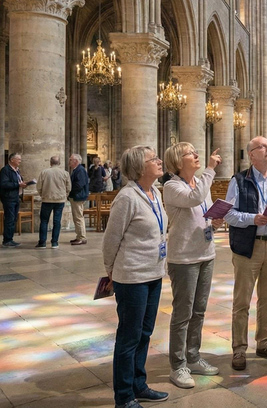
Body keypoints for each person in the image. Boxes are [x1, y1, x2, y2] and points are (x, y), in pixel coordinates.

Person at [102, 146, 169, 408]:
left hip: (154, 273)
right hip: (131, 276)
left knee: (145, 333)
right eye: (153, 159)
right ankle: (124, 396)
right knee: (129, 336)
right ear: (139, 168)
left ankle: (139, 385)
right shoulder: (127, 197)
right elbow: (111, 239)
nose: (159, 161)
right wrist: (110, 270)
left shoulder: (156, 193)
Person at [224, 136, 267, 371]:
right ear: (252, 154)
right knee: (242, 301)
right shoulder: (239, 180)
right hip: (247, 247)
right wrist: (253, 219)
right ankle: (239, 349)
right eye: (263, 146)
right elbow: (229, 214)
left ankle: (264, 342)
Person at [163, 143, 224, 388]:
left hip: (205, 254)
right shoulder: (171, 186)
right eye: (190, 153)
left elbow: (203, 212)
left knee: (198, 311)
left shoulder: (198, 184)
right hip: (184, 258)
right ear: (178, 162)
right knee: (182, 314)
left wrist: (214, 223)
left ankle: (193, 356)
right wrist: (209, 169)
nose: (196, 155)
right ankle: (178, 366)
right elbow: (194, 199)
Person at [36, 156, 71, 249]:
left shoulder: (44, 172)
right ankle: (55, 242)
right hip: (60, 200)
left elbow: (39, 186)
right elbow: (69, 187)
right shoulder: (65, 173)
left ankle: (42, 242)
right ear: (59, 163)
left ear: (50, 163)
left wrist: (42, 194)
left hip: (47, 199)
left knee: (44, 221)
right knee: (57, 221)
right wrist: (64, 195)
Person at [0, 153, 28, 247]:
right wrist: (18, 185)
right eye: (18, 159)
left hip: (15, 197)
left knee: (13, 218)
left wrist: (23, 184)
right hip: (8, 198)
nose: (20, 161)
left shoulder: (17, 170)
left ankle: (10, 239)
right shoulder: (5, 170)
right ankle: (7, 240)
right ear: (12, 160)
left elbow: (17, 181)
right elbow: (4, 184)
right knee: (9, 218)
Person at [68, 154, 89, 246]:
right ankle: (79, 236)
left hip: (78, 196)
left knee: (78, 217)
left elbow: (79, 185)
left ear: (76, 161)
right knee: (76, 217)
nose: (69, 161)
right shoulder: (77, 170)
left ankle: (82, 238)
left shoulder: (80, 170)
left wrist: (70, 191)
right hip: (76, 196)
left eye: (70, 160)